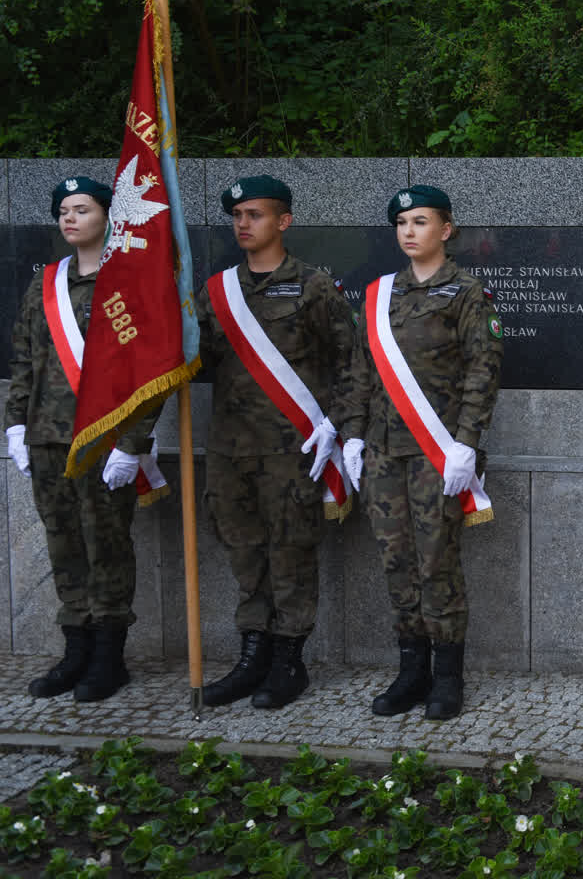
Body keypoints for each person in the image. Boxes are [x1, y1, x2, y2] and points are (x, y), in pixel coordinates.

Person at [339, 184, 502, 721]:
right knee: (397, 561)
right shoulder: (379, 294)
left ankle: (448, 677)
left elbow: (484, 370)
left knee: (437, 563)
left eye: (421, 222)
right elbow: (362, 372)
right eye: (402, 223)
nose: (410, 232)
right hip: (385, 453)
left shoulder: (467, 292)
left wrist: (466, 444)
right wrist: (355, 435)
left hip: (440, 453)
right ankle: (412, 670)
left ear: (446, 231)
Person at [194, 174, 357, 709]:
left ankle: (288, 662)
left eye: (255, 215)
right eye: (237, 216)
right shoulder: (217, 292)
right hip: (229, 449)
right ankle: (252, 656)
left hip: (293, 450)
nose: (244, 224)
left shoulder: (313, 287)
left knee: (290, 553)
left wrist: (338, 427)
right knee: (244, 554)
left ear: (283, 221)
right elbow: (195, 359)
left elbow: (349, 363)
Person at [5, 176, 162, 701]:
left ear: (107, 218)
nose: (70, 219)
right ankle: (75, 648)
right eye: (63, 212)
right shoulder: (45, 283)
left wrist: (133, 441)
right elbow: (25, 356)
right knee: (64, 543)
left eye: (82, 209)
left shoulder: (128, 283)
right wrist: (15, 424)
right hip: (49, 438)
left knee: (107, 546)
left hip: (104, 441)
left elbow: (150, 370)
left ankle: (108, 657)